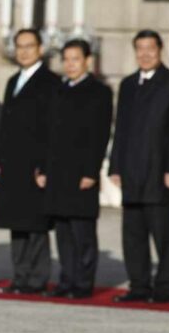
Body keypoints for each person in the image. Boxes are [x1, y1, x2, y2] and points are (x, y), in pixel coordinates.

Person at [108, 30, 169, 304]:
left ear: (160, 49)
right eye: (139, 48)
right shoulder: (128, 84)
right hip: (131, 173)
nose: (145, 54)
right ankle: (139, 286)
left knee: (163, 236)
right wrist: (115, 166)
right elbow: (121, 129)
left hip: (160, 173)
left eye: (150, 48)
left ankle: (164, 289)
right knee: (133, 235)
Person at [37, 40, 113, 299]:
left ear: (87, 61)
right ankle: (66, 280)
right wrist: (42, 169)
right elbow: (46, 133)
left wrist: (91, 171)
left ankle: (83, 283)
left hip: (81, 173)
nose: (70, 64)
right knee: (63, 232)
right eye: (66, 59)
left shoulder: (99, 92)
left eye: (75, 59)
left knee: (82, 232)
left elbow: (100, 134)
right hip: (57, 172)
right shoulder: (58, 91)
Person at [0, 28, 61, 295]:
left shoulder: (50, 82)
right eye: (19, 46)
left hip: (35, 166)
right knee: (16, 224)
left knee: (35, 226)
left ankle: (37, 278)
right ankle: (20, 276)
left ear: (40, 49)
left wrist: (45, 166)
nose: (23, 51)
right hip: (12, 164)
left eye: (29, 46)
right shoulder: (13, 81)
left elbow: (52, 128)